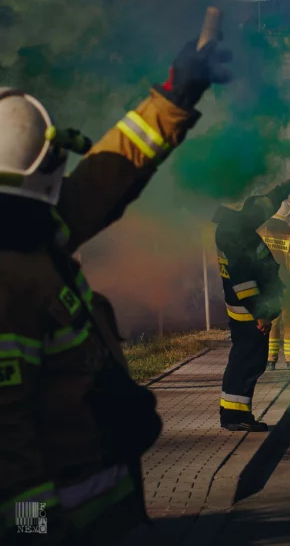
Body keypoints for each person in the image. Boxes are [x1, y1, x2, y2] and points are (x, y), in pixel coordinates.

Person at [0, 35, 230, 543]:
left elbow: (107, 174)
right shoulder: (13, 271)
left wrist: (175, 98)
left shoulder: (32, 231)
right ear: (42, 173)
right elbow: (8, 457)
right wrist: (32, 535)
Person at [213, 173, 290, 431]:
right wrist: (260, 314)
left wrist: (289, 185)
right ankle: (234, 417)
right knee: (246, 361)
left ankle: (238, 415)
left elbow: (265, 204)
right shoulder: (233, 236)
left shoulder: (238, 226)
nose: (258, 215)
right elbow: (242, 280)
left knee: (248, 360)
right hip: (248, 311)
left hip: (253, 309)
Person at [258, 202, 290, 371]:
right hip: (287, 288)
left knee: (271, 322)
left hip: (266, 289)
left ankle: (269, 360)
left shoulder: (261, 235)